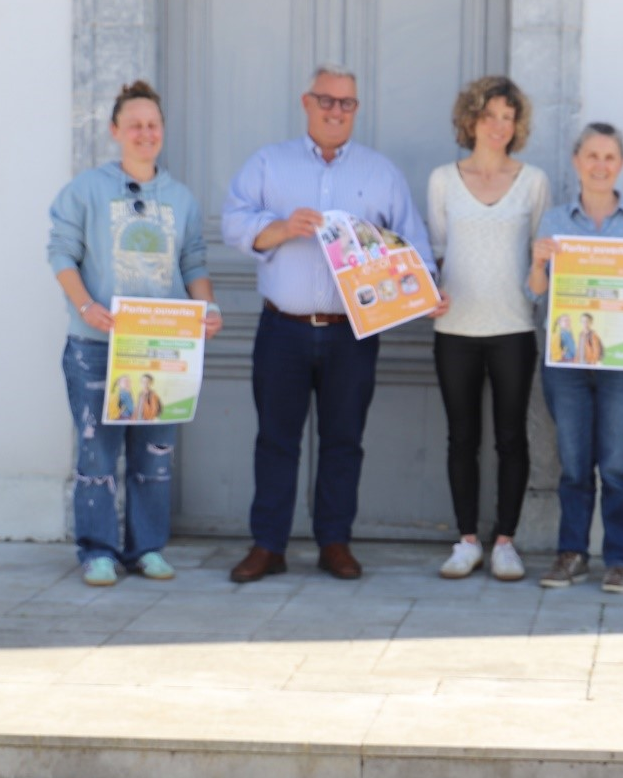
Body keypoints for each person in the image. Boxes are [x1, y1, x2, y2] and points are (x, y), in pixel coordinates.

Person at [222, 63, 445, 584]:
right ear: (306, 102)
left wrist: (426, 289)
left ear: (356, 110)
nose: (335, 111)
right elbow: (234, 221)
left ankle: (335, 543)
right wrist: (278, 228)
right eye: (326, 100)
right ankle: (268, 545)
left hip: (352, 331)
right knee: (276, 440)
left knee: (345, 440)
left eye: (346, 103)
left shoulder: (379, 173)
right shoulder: (268, 164)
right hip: (284, 328)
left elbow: (413, 244)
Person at [47, 80, 222, 586]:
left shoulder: (181, 199)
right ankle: (97, 551)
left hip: (159, 350)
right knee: (97, 454)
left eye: (153, 125)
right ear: (116, 131)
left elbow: (193, 261)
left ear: (162, 132)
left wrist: (206, 306)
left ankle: (146, 548)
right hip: (96, 346)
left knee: (155, 454)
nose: (145, 133)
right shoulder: (86, 190)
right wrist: (86, 304)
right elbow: (61, 253)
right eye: (135, 125)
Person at [527, 122, 623, 594]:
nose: (600, 165)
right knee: (572, 464)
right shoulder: (554, 222)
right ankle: (571, 554)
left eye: (609, 157)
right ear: (576, 162)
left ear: (621, 165)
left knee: (617, 465)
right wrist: (538, 262)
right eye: (591, 156)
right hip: (565, 362)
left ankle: (619, 559)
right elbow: (534, 292)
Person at [428, 76, 550, 582]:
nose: (499, 126)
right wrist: (430, 292)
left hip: (513, 328)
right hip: (454, 329)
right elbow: (435, 252)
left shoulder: (534, 181)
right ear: (470, 119)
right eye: (489, 115)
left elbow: (540, 262)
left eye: (508, 116)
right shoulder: (442, 180)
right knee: (461, 437)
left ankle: (505, 542)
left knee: (511, 438)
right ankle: (466, 541)